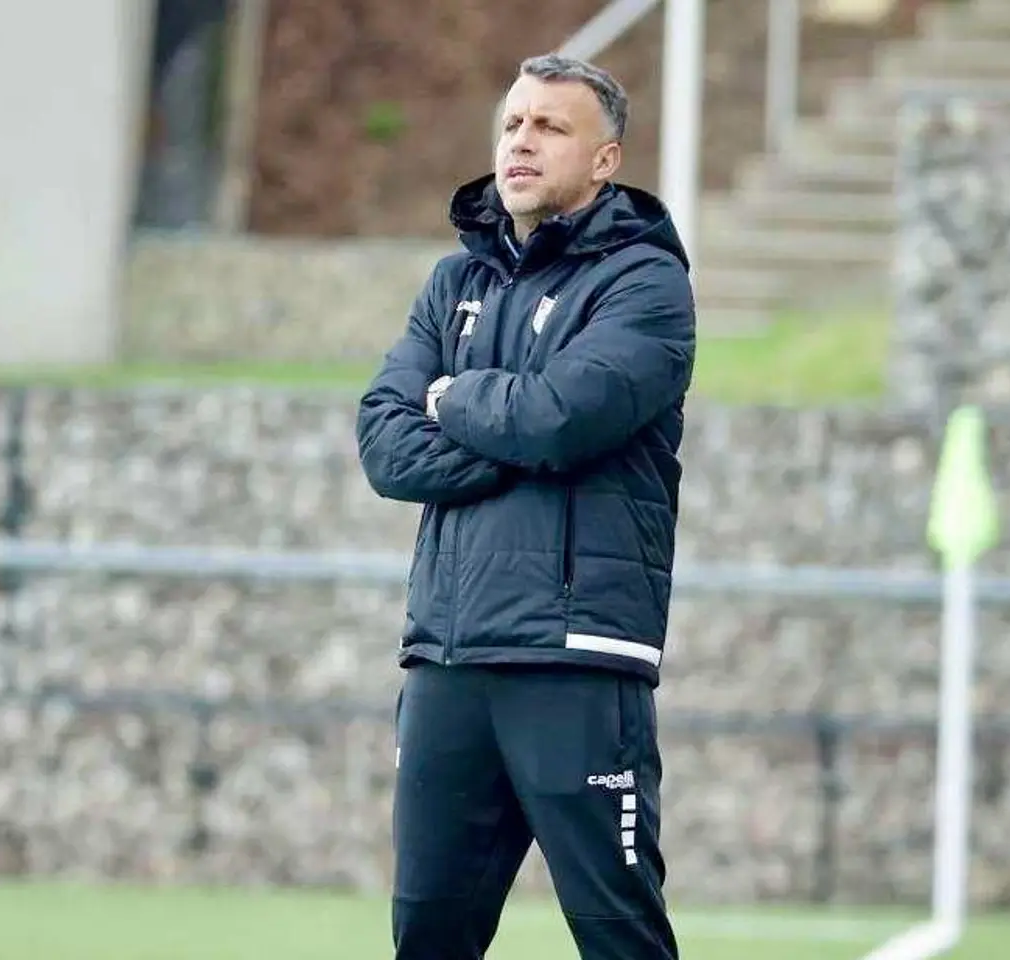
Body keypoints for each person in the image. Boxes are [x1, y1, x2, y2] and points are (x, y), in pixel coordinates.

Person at [356, 52, 696, 960]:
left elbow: (558, 420)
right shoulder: (452, 284)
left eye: (550, 126)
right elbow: (385, 444)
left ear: (605, 159)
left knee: (618, 937)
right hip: (448, 657)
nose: (522, 141)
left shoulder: (646, 284)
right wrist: (511, 441)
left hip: (576, 660)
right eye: (513, 123)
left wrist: (451, 399)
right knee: (427, 935)